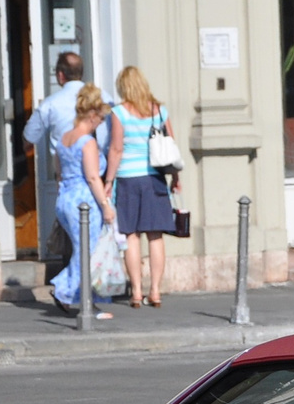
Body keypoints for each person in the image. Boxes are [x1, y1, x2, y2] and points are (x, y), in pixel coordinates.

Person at [22, 53, 109, 265]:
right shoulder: (104, 98)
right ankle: (84, 284)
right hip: (98, 173)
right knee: (95, 236)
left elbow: (28, 138)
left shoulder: (50, 104)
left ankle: (71, 282)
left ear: (60, 75)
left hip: (67, 178)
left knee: (70, 233)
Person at [105, 66, 178, 308]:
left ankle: (136, 291)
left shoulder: (119, 112)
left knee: (131, 236)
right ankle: (155, 290)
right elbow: (171, 145)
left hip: (127, 178)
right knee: (155, 236)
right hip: (154, 177)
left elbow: (116, 149)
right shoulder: (158, 110)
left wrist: (108, 181)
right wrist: (176, 177)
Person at [50, 84, 116, 319]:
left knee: (83, 251)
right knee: (88, 253)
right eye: (100, 119)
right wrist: (106, 206)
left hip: (64, 200)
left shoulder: (63, 139)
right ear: (92, 115)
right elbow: (91, 176)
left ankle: (87, 299)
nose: (100, 123)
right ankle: (65, 290)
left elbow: (59, 173)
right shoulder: (87, 142)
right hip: (84, 203)